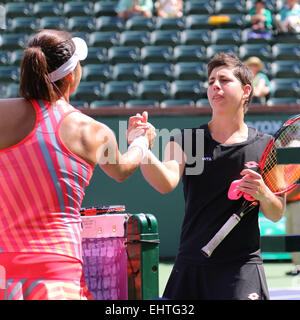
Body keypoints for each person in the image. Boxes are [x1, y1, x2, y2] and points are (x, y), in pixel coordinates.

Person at [0, 29, 155, 300]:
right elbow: (123, 169)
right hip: (59, 273)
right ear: (71, 76)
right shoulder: (92, 132)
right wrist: (140, 142)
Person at [130, 53, 286, 300]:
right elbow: (164, 182)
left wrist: (263, 193)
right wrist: (141, 147)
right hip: (192, 263)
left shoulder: (266, 145)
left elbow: (277, 212)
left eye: (224, 80)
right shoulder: (186, 140)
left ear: (246, 91)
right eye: (211, 80)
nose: (215, 85)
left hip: (242, 267)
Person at [285, 186, 300, 275]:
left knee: (297, 235)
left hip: (297, 203)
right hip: (288, 204)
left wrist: (282, 198)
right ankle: (297, 266)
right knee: (290, 235)